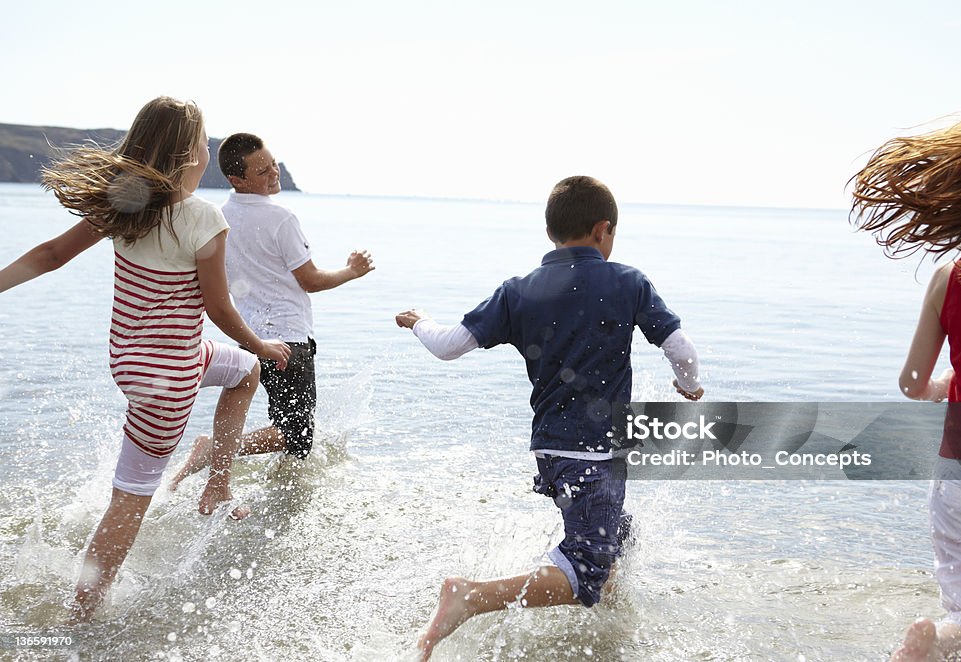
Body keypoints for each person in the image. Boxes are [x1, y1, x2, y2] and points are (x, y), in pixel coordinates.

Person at [0, 97, 291, 621]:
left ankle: (218, 483)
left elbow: (48, 256)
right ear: (188, 155)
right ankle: (82, 612)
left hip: (135, 361)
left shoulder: (124, 202)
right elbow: (220, 307)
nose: (209, 149)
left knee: (244, 374)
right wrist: (263, 345)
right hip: (170, 378)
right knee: (130, 499)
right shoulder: (203, 218)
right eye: (204, 141)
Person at [395, 175, 704, 660]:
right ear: (604, 229)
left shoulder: (519, 290)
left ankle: (606, 634)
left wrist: (419, 323)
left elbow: (448, 346)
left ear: (550, 232)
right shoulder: (627, 281)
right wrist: (688, 387)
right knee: (587, 566)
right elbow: (680, 349)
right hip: (594, 454)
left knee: (618, 536)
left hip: (557, 448)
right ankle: (470, 598)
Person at [851, 115, 961, 662]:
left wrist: (948, 385)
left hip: (960, 479)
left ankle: (932, 648)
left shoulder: (952, 276)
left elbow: (910, 383)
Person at [170, 133, 373, 484]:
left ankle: (276, 487)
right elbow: (309, 279)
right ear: (237, 179)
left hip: (249, 337)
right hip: (288, 341)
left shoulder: (220, 217)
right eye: (262, 171)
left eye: (273, 164)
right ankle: (214, 449)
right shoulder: (281, 217)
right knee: (298, 435)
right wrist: (351, 271)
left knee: (290, 432)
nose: (274, 173)